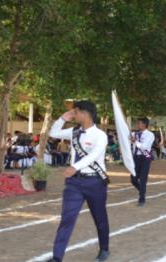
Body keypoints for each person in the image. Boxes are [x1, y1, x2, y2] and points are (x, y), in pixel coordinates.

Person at [46, 101, 110, 262]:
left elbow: (94, 155)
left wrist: (75, 166)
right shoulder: (74, 131)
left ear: (85, 113)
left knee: (99, 217)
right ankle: (57, 257)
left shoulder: (100, 135)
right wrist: (62, 118)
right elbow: (53, 133)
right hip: (73, 183)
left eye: (75, 112)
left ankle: (104, 249)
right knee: (67, 219)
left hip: (94, 182)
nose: (74, 115)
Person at [130, 117, 155, 206]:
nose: (138, 125)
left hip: (145, 158)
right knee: (133, 179)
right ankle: (142, 190)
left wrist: (135, 141)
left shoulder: (150, 135)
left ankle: (142, 199)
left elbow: (144, 147)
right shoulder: (133, 133)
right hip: (135, 157)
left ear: (144, 124)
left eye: (139, 123)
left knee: (143, 178)